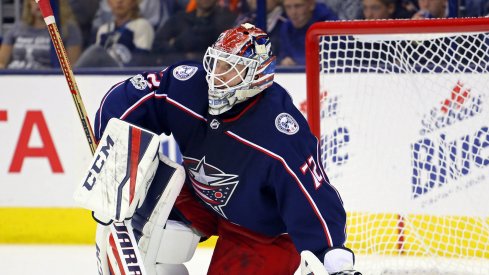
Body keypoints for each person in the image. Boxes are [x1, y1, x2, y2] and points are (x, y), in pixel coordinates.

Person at [94, 23, 360, 274]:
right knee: (151, 240)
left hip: (261, 234)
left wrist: (334, 258)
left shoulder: (279, 133)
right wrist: (112, 145)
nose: (216, 75)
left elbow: (314, 196)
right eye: (217, 63)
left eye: (230, 68)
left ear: (257, 75)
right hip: (200, 197)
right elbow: (133, 98)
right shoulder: (188, 85)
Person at [150, 0, 237, 66]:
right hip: (176, 67)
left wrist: (174, 42)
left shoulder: (228, 19)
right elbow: (157, 44)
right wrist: (177, 45)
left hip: (208, 70)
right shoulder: (179, 18)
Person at [0, 0, 82, 69]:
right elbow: (1, 62)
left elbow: (72, 67)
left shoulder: (68, 29)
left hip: (47, 81)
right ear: (28, 3)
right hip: (14, 78)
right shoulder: (17, 28)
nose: (40, 2)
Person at [75, 0, 154, 68]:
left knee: (96, 51)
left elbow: (141, 61)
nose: (119, 1)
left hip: (126, 74)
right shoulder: (104, 29)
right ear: (109, 3)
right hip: (104, 76)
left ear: (133, 2)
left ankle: (71, 77)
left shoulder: (142, 25)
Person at [279, 0, 339, 66]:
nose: (293, 12)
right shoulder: (286, 28)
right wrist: (285, 60)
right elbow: (284, 54)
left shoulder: (330, 26)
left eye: (298, 6)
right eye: (288, 7)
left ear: (311, 5)